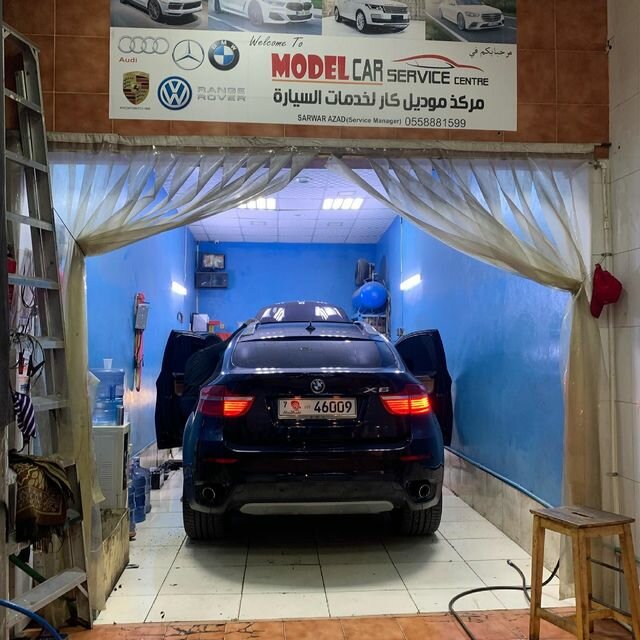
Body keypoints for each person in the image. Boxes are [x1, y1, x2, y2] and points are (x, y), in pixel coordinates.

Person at [180, 320, 254, 419]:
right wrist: (245, 326)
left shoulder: (193, 357)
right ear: (214, 344)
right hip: (195, 401)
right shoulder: (209, 354)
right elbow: (227, 344)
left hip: (184, 400)